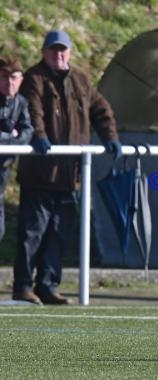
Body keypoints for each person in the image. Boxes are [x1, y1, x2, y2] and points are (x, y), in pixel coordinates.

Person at [12, 29, 122, 305]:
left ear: (70, 52)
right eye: (53, 50)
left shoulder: (81, 79)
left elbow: (101, 109)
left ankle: (48, 285)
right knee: (32, 234)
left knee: (60, 234)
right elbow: (32, 110)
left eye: (62, 50)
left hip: (70, 176)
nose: (58, 55)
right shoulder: (34, 78)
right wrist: (39, 135)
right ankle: (23, 286)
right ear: (44, 52)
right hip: (39, 174)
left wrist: (110, 137)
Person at [0, 57, 33, 243]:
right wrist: (11, 136)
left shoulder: (21, 103)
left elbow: (27, 131)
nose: (9, 82)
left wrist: (12, 139)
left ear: (21, 80)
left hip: (3, 173)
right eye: (4, 77)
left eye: (14, 77)